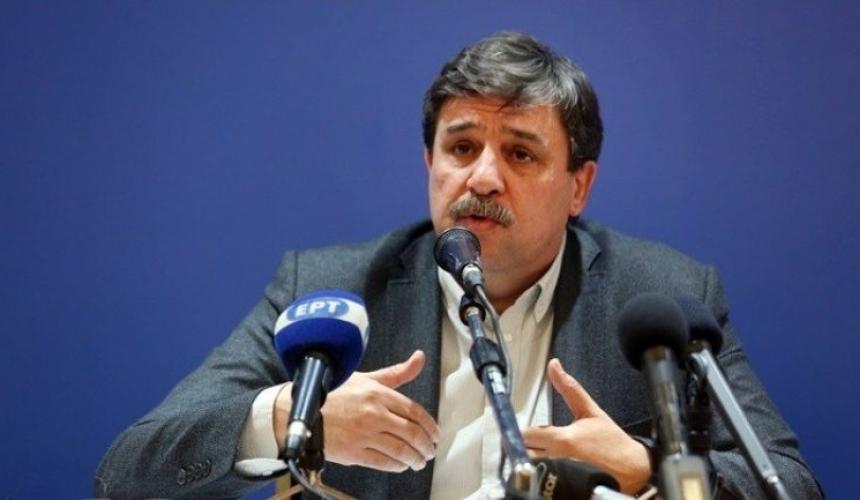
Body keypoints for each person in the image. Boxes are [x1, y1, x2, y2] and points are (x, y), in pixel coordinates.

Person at [94, 32, 822, 499]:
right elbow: (127, 473)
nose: (482, 178)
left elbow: (789, 484)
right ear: (430, 162)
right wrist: (295, 414)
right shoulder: (330, 291)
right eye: (462, 147)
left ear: (579, 187)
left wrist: (645, 469)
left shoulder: (661, 296)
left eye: (521, 153)